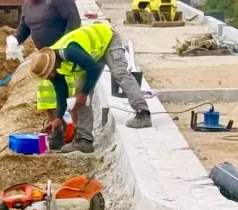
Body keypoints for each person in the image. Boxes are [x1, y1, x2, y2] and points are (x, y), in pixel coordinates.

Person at [29, 24, 151, 154]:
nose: (48, 78)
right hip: (89, 57)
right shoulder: (55, 69)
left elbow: (93, 68)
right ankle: (84, 140)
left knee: (119, 74)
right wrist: (58, 118)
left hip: (108, 40)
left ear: (51, 67)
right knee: (79, 97)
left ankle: (143, 113)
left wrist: (84, 92)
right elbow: (61, 92)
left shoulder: (69, 51)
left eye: (47, 74)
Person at [5, 0, 81, 149]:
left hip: (64, 54)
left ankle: (78, 133)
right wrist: (15, 41)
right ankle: (56, 129)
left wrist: (62, 47)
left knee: (70, 96)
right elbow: (24, 28)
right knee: (48, 95)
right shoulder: (27, 5)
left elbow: (74, 23)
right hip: (45, 58)